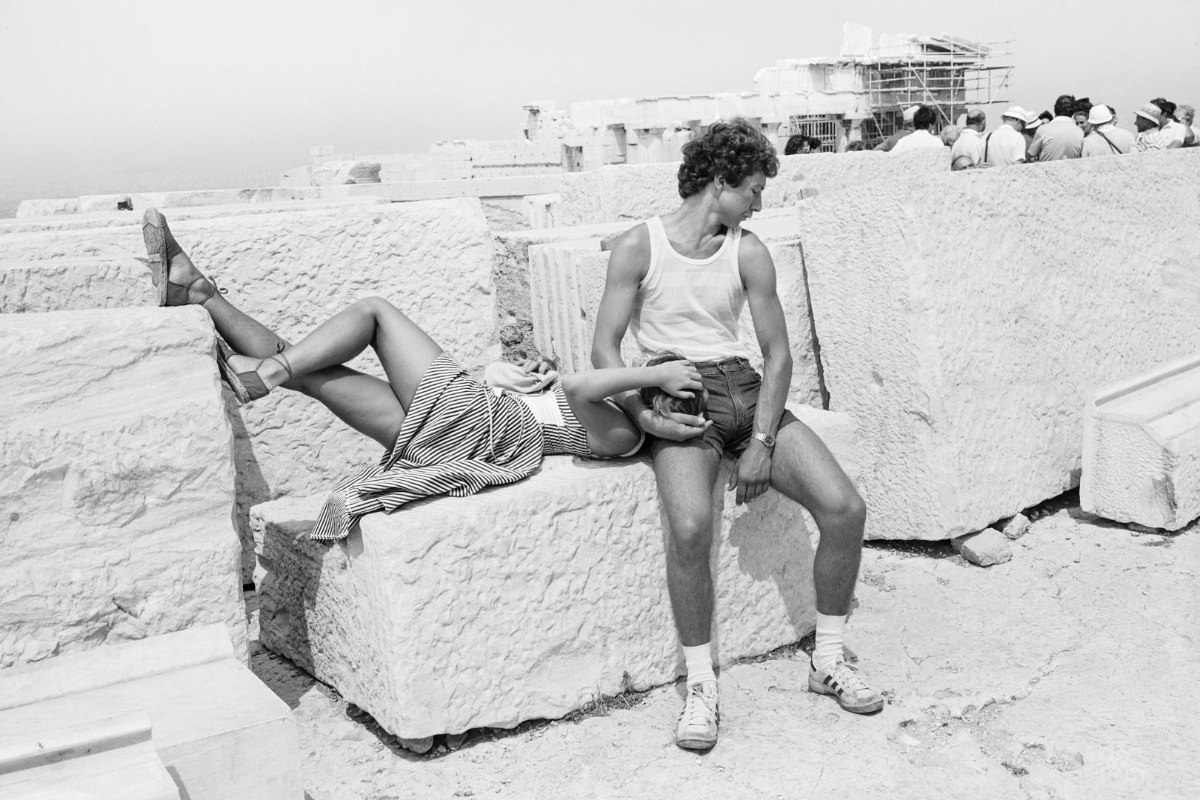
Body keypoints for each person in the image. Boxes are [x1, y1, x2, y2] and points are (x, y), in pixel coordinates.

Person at [139, 209, 703, 542]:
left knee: (373, 312)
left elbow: (581, 388)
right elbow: (567, 395)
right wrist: (524, 375)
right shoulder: (621, 413)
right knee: (314, 372)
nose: (649, 384)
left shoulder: (627, 435)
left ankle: (263, 369)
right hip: (454, 432)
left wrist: (634, 393)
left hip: (477, 424)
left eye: (662, 389)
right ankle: (200, 295)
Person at [591, 119, 881, 751]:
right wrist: (644, 417)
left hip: (744, 392)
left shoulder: (748, 250)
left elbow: (778, 357)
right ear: (719, 182)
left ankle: (828, 658)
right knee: (691, 528)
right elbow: (604, 349)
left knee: (845, 508)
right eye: (752, 188)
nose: (758, 202)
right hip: (676, 394)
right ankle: (701, 685)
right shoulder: (638, 246)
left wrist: (762, 442)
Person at [1028, 94, 1084, 161]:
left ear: (1055, 109)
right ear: (1073, 112)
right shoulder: (1080, 133)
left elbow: (1030, 156)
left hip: (1046, 170)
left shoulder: (1042, 130)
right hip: (1071, 170)